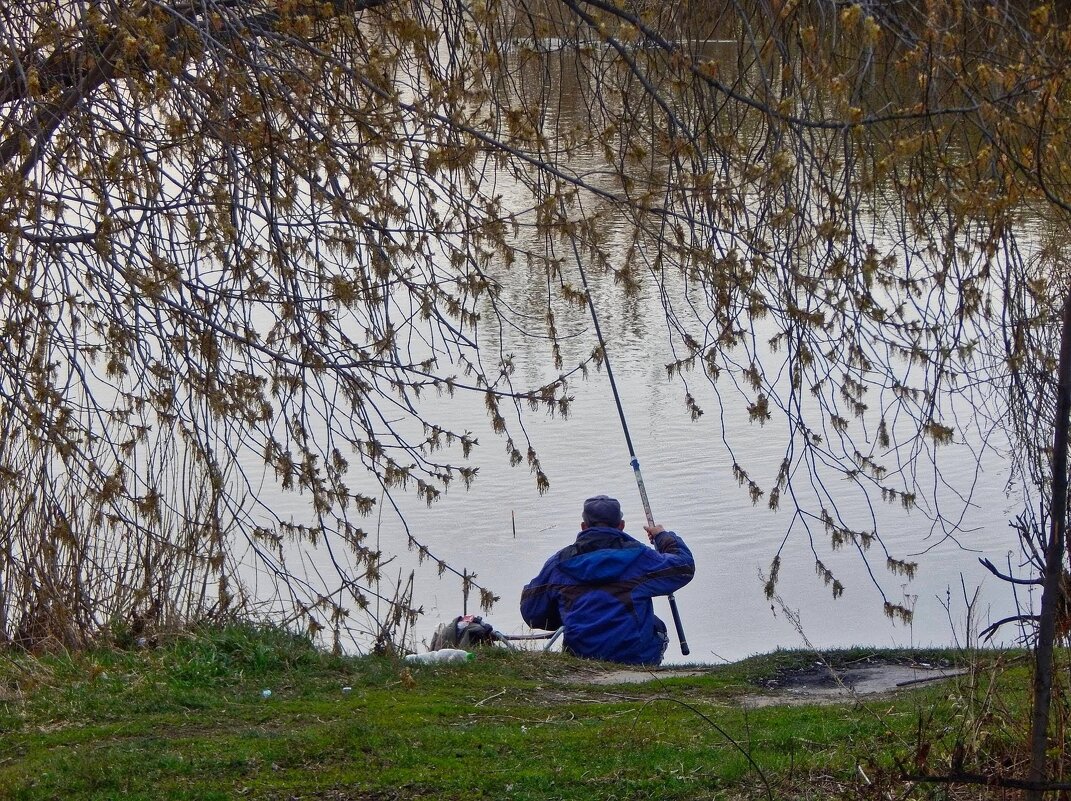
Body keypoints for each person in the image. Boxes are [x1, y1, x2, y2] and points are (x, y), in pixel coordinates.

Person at [520, 495, 695, 665]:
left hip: (580, 655)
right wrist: (662, 536)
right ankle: (645, 671)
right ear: (621, 525)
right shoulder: (641, 557)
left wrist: (567, 613)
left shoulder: (559, 563)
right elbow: (684, 567)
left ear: (583, 526)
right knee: (656, 626)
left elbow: (532, 613)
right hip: (635, 658)